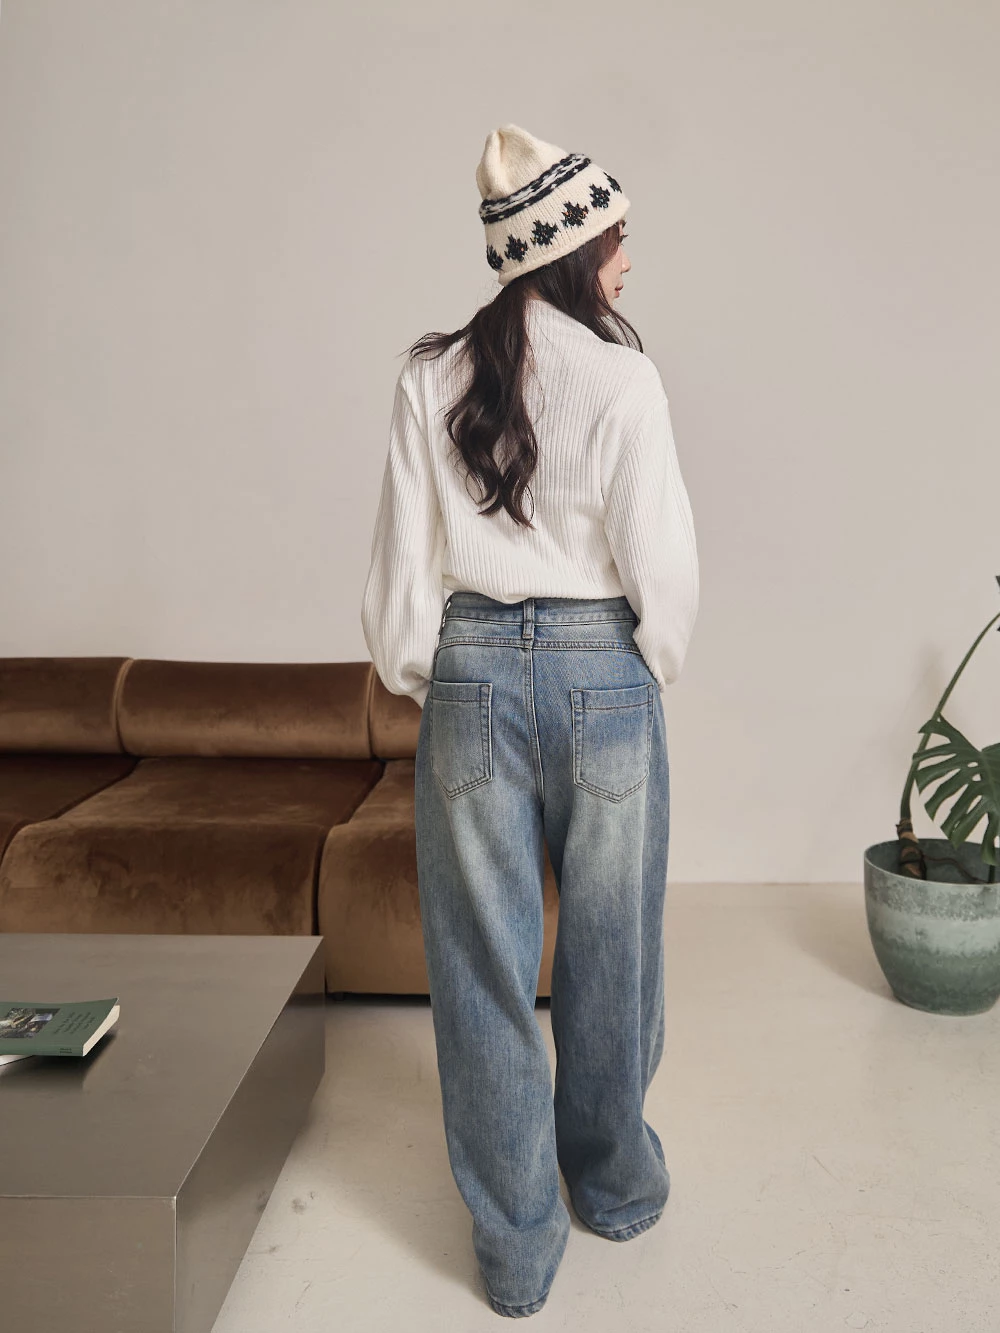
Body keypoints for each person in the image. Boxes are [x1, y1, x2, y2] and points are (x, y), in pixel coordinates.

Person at [361, 122, 700, 1318]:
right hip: (605, 674)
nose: (627, 261)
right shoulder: (624, 380)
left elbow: (401, 583)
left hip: (470, 676)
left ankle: (513, 1250)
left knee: (480, 965)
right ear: (567, 250)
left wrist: (439, 675)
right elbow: (664, 571)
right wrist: (640, 668)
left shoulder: (428, 377)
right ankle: (613, 1185)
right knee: (615, 949)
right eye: (617, 240)